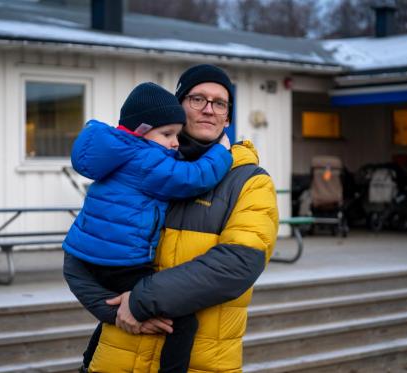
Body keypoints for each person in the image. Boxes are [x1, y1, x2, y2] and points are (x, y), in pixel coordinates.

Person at [64, 64, 279, 373]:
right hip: (117, 356)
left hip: (197, 363)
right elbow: (78, 261)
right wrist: (113, 312)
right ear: (178, 106)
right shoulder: (140, 171)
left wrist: (138, 302)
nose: (209, 109)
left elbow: (237, 263)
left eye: (219, 103)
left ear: (228, 117)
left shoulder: (250, 182)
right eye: (197, 99)